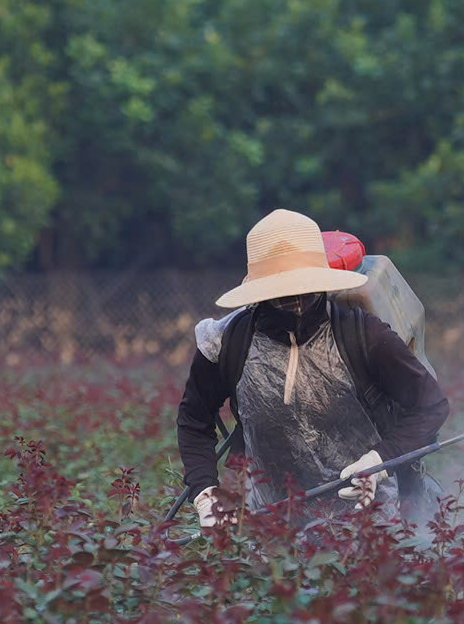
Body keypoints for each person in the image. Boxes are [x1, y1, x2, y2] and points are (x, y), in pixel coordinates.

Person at [177, 209, 449, 528]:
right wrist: (206, 493)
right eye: (282, 291)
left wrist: (380, 460)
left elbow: (431, 406)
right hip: (274, 521)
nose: (295, 299)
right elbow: (194, 419)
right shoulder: (229, 343)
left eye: (303, 287)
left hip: (378, 517)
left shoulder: (363, 335)